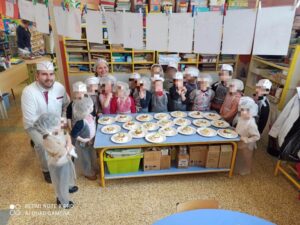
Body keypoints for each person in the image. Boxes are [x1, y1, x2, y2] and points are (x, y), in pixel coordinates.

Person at [21, 61, 70, 183]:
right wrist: (48, 135)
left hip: (55, 124)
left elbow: (66, 105)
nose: (49, 78)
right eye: (44, 74)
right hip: (34, 126)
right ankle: (46, 170)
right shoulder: (28, 92)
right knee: (43, 145)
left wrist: (62, 122)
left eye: (51, 74)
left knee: (62, 144)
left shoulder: (60, 87)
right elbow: (30, 119)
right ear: (37, 76)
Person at [34, 113, 77, 209]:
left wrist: (68, 144)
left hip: (66, 159)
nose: (60, 125)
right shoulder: (48, 140)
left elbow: (67, 135)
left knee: (68, 175)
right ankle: (62, 200)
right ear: (48, 128)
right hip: (58, 164)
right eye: (57, 124)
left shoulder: (57, 131)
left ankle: (69, 187)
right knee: (61, 182)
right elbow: (60, 153)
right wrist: (68, 147)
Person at [71, 96, 97, 180]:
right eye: (91, 106)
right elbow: (73, 134)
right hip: (83, 144)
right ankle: (87, 172)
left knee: (92, 155)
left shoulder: (90, 115)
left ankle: (93, 167)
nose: (93, 107)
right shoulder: (80, 122)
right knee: (86, 159)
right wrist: (83, 140)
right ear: (86, 109)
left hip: (91, 141)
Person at [235, 97, 260, 175]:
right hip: (240, 139)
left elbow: (257, 136)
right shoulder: (241, 118)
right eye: (242, 110)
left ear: (253, 111)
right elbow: (239, 126)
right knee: (240, 154)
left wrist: (246, 139)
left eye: (247, 110)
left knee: (247, 156)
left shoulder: (251, 124)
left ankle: (248, 168)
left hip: (247, 144)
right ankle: (240, 165)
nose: (244, 112)